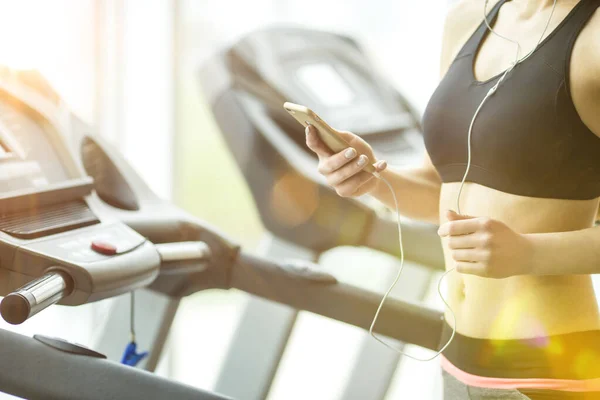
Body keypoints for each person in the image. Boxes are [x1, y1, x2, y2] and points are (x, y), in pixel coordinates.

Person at [305, 0, 600, 398]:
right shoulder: (468, 19)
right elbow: (438, 189)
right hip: (456, 356)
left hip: (548, 367)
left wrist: (529, 252)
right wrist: (373, 178)